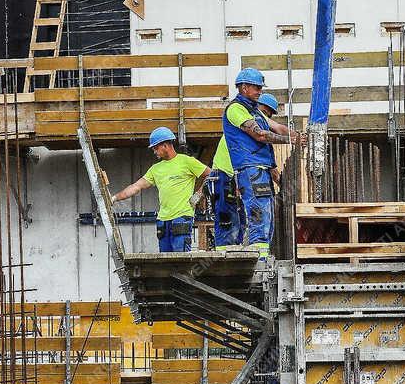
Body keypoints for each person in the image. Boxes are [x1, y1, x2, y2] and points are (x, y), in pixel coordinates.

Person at [220, 70, 297, 259]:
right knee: (259, 215)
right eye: (257, 87)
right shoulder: (236, 109)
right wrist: (289, 140)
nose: (260, 91)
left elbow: (277, 127)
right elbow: (259, 135)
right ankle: (259, 261)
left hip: (260, 169)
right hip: (250, 168)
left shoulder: (255, 111)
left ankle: (263, 257)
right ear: (244, 87)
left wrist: (298, 135)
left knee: (266, 216)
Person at [110, 129, 209, 253]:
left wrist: (199, 194)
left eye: (156, 148)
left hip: (182, 217)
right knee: (165, 260)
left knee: (182, 258)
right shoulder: (155, 169)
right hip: (163, 220)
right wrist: (114, 198)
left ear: (165, 145)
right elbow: (136, 187)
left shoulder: (187, 162)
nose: (154, 152)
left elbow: (211, 175)